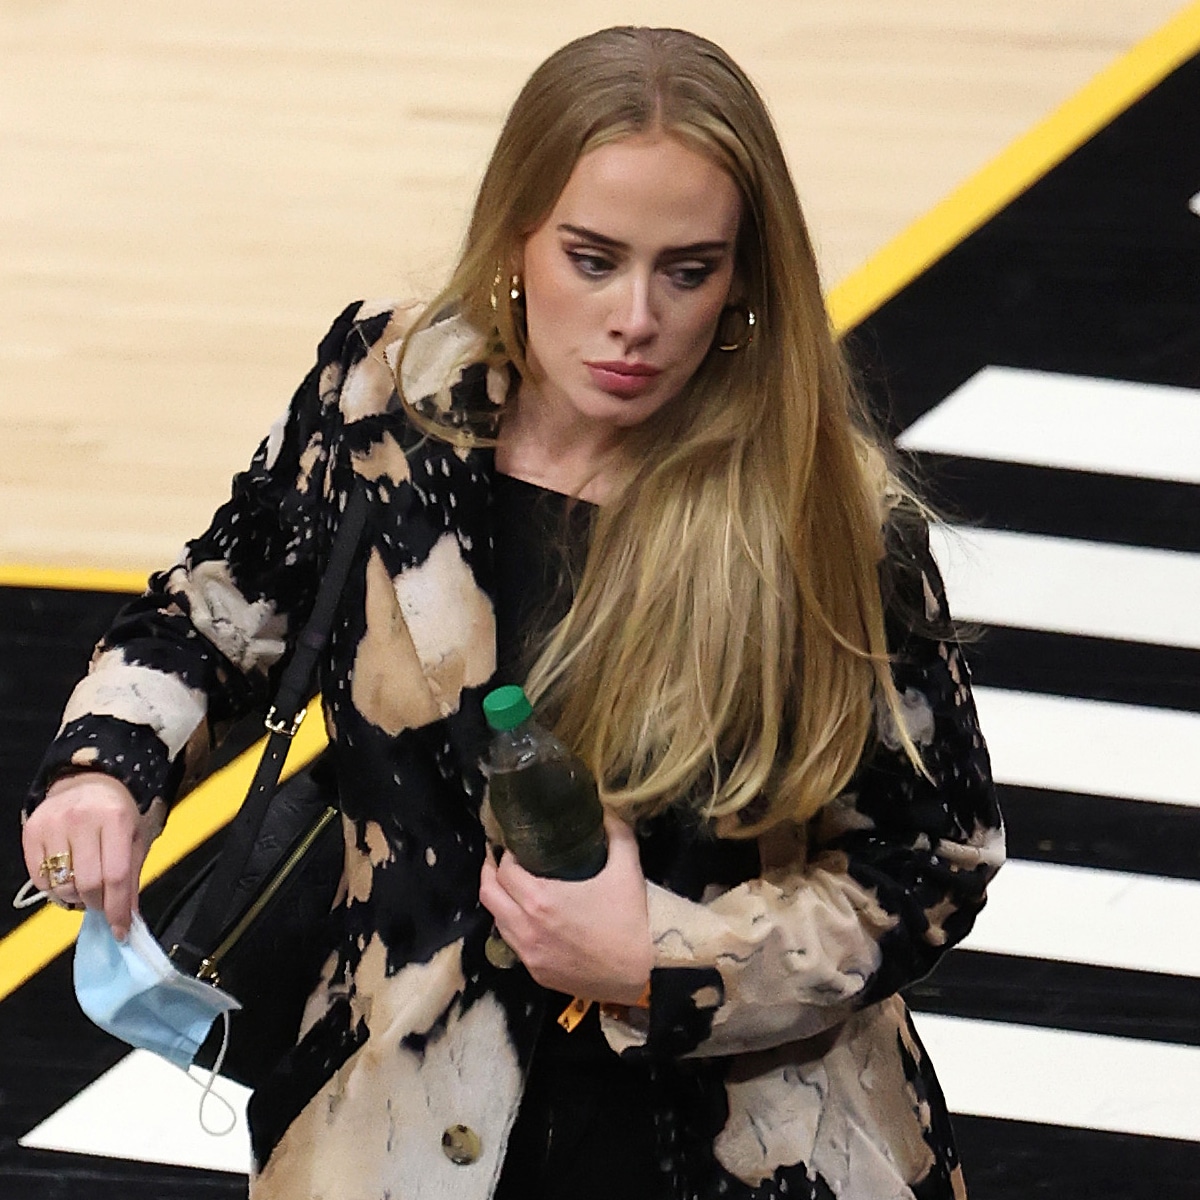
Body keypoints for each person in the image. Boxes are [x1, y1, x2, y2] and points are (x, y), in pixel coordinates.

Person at [21, 25, 1003, 1200]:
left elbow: (929, 855)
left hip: (725, 1151)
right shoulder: (382, 400)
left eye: (688, 271)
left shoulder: (826, 518)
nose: (635, 318)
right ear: (517, 237)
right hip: (392, 1129)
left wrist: (662, 961)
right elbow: (222, 605)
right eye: (593, 259)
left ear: (745, 277)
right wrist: (106, 766)